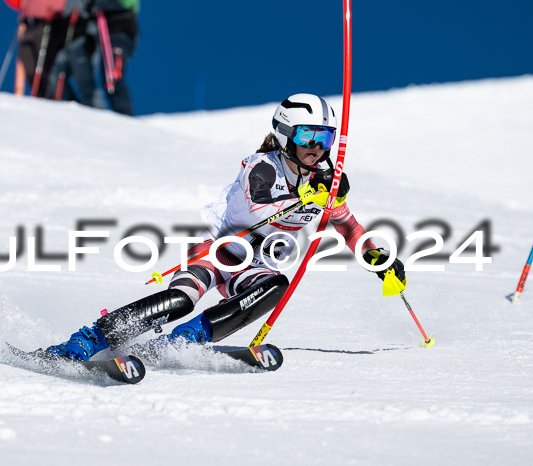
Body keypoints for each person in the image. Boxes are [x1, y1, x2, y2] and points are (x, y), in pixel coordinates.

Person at [45, 93, 407, 361]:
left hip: (257, 264)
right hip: (219, 249)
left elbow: (350, 229)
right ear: (284, 134)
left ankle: (181, 343)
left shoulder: (323, 187)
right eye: (306, 136)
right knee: (180, 299)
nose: (316, 147)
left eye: (324, 138)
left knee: (273, 286)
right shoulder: (263, 166)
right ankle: (88, 339)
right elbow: (257, 207)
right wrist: (307, 198)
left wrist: (380, 261)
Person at [68, 0, 139, 115]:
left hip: (120, 32)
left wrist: (97, 4)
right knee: (106, 80)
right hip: (104, 33)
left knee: (112, 79)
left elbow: (128, 4)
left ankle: (127, 119)